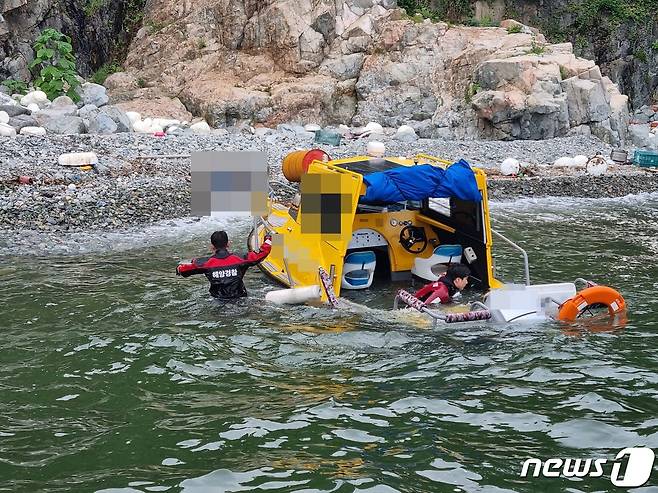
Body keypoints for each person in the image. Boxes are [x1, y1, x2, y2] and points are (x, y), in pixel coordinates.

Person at [176, 230, 272, 300]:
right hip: (240, 299)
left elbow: (183, 270)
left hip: (217, 300)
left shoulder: (205, 263)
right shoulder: (240, 259)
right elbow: (260, 254)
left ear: (212, 246)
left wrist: (179, 268)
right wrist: (268, 240)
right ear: (228, 244)